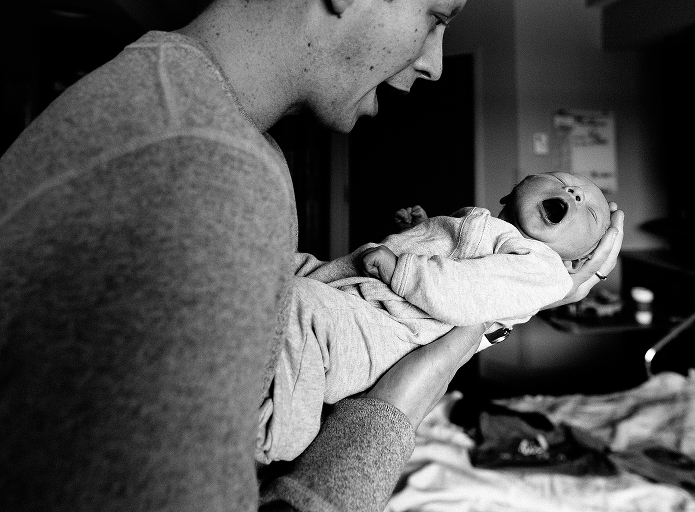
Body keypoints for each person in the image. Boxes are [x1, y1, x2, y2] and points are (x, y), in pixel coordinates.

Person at [0, 0, 624, 510]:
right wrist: (394, 409)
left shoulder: (170, 107)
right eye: (436, 16)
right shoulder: (211, 168)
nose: (436, 63)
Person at [259, 171, 612, 463]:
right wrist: (424, 230)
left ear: (576, 264)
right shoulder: (485, 225)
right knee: (282, 268)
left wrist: (402, 270)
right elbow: (454, 260)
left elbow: (468, 289)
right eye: (559, 179)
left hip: (387, 331)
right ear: (510, 196)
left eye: (591, 213)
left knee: (305, 307)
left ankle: (277, 437)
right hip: (358, 292)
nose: (574, 194)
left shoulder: (545, 268)